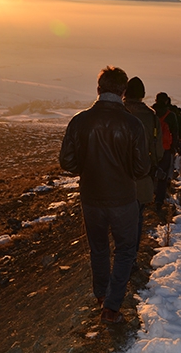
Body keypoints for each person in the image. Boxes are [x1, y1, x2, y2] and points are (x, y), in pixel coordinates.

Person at [59, 66, 150, 324]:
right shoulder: (133, 124)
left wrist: (86, 168)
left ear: (98, 89)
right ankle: (111, 308)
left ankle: (101, 295)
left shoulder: (79, 121)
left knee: (98, 249)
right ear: (123, 92)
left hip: (91, 198)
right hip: (123, 199)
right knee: (125, 251)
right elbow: (142, 168)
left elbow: (67, 162)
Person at [123, 76, 164, 255]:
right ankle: (130, 258)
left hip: (114, 176)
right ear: (143, 95)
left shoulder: (116, 112)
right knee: (136, 218)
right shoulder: (151, 117)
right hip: (140, 175)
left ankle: (117, 257)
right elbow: (158, 150)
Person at [152, 92, 179, 211]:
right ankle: (159, 200)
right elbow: (175, 133)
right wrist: (174, 147)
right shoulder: (171, 115)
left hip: (151, 148)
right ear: (167, 101)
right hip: (166, 148)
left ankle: (149, 195)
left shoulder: (150, 112)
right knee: (163, 175)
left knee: (151, 172)